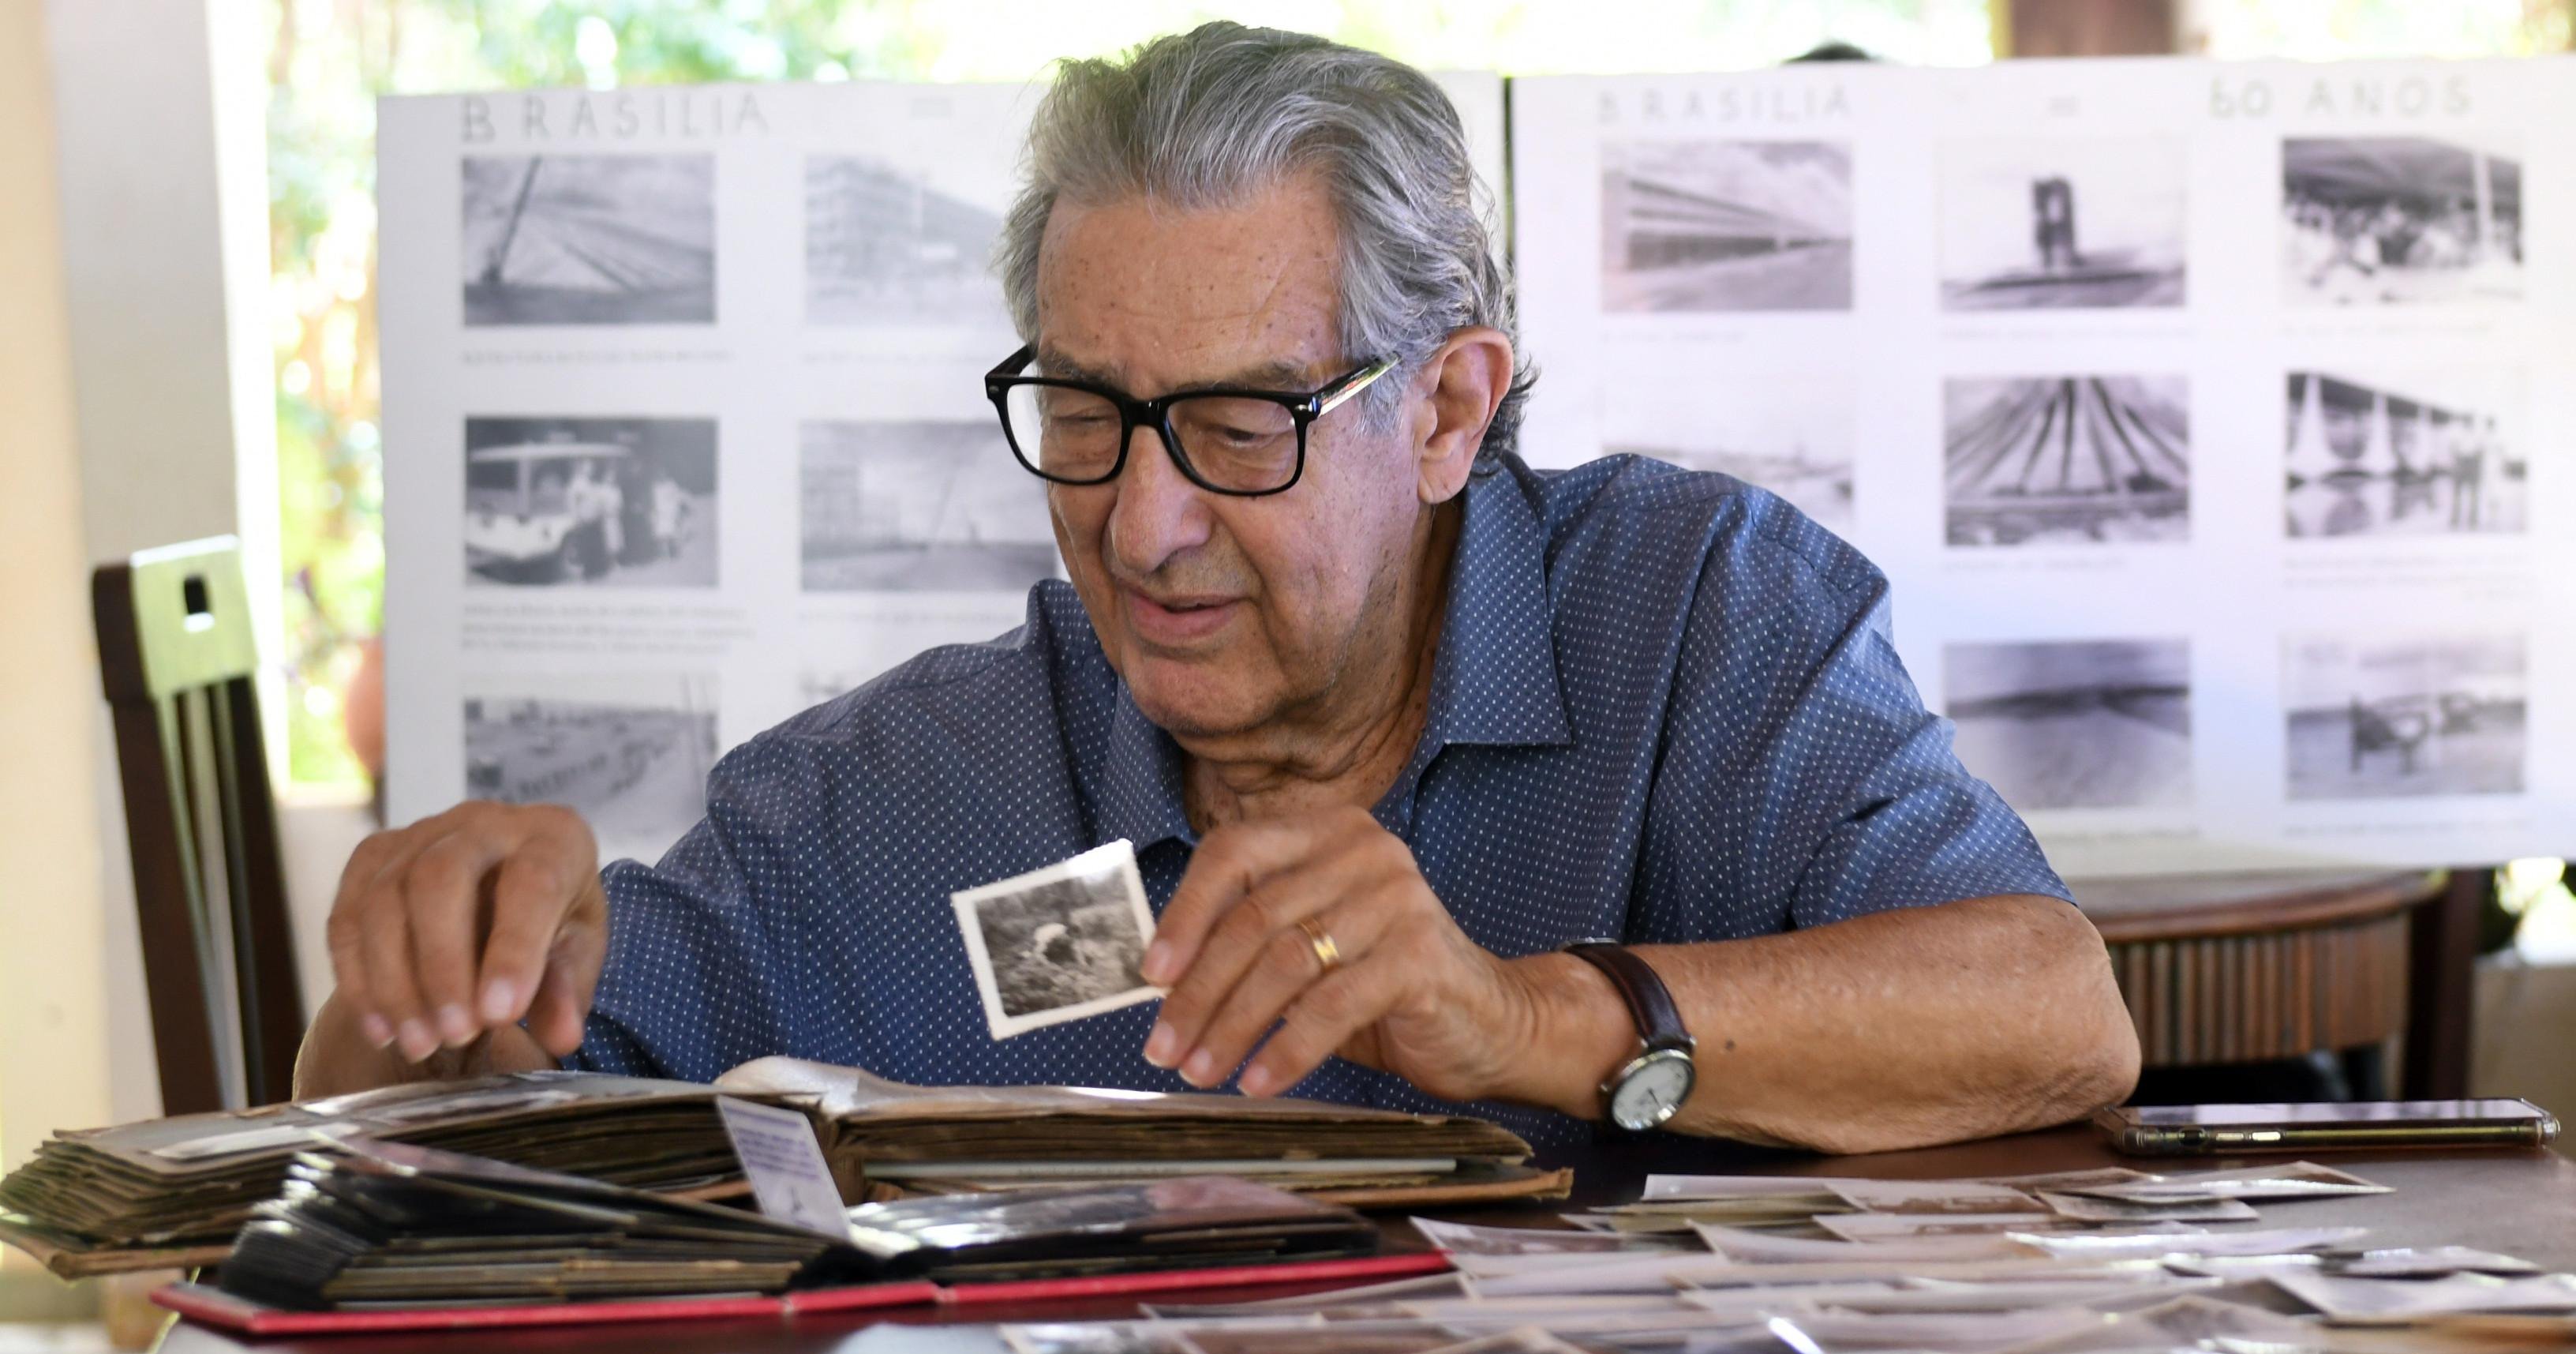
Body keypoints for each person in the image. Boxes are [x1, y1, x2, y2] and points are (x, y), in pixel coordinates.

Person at [295, 24, 2138, 1156]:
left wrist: (1521, 1021)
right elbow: (406, 1138)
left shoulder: (1694, 622)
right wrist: (428, 975)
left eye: (1245, 423)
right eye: (1088, 413)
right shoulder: (920, 794)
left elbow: (2052, 1014)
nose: (1147, 522)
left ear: (1446, 407)